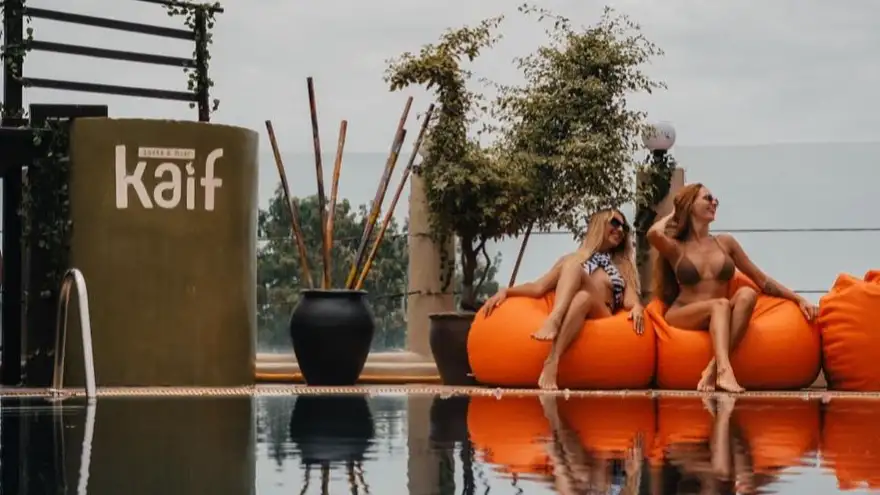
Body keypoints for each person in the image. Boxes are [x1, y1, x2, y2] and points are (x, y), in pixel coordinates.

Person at [648, 183, 819, 393]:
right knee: (720, 304)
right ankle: (723, 371)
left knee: (747, 294)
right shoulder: (677, 247)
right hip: (684, 313)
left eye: (715, 200)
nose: (714, 203)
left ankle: (714, 369)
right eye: (707, 198)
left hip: (719, 314)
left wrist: (799, 299)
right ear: (691, 205)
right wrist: (675, 212)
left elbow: (761, 280)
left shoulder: (725, 243)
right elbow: (653, 234)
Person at [483, 208, 643, 390]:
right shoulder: (571, 260)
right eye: (615, 223)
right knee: (579, 287)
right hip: (576, 306)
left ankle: (554, 325)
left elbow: (630, 300)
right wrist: (506, 291)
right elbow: (538, 287)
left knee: (582, 288)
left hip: (602, 312)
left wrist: (637, 307)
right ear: (599, 225)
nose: (620, 230)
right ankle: (552, 359)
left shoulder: (622, 266)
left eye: (624, 227)